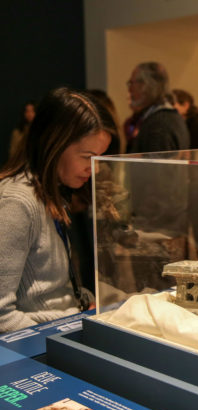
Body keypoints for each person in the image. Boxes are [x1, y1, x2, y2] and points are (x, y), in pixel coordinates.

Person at [0, 87, 116, 332]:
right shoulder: (17, 202)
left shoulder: (53, 191)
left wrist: (84, 298)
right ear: (54, 143)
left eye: (98, 159)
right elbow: (2, 315)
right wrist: (60, 337)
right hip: (41, 341)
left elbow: (50, 289)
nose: (93, 170)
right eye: (87, 157)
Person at [126, 62, 190, 153]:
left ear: (146, 85)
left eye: (132, 83)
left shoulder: (159, 124)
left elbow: (158, 166)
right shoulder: (169, 116)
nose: (129, 89)